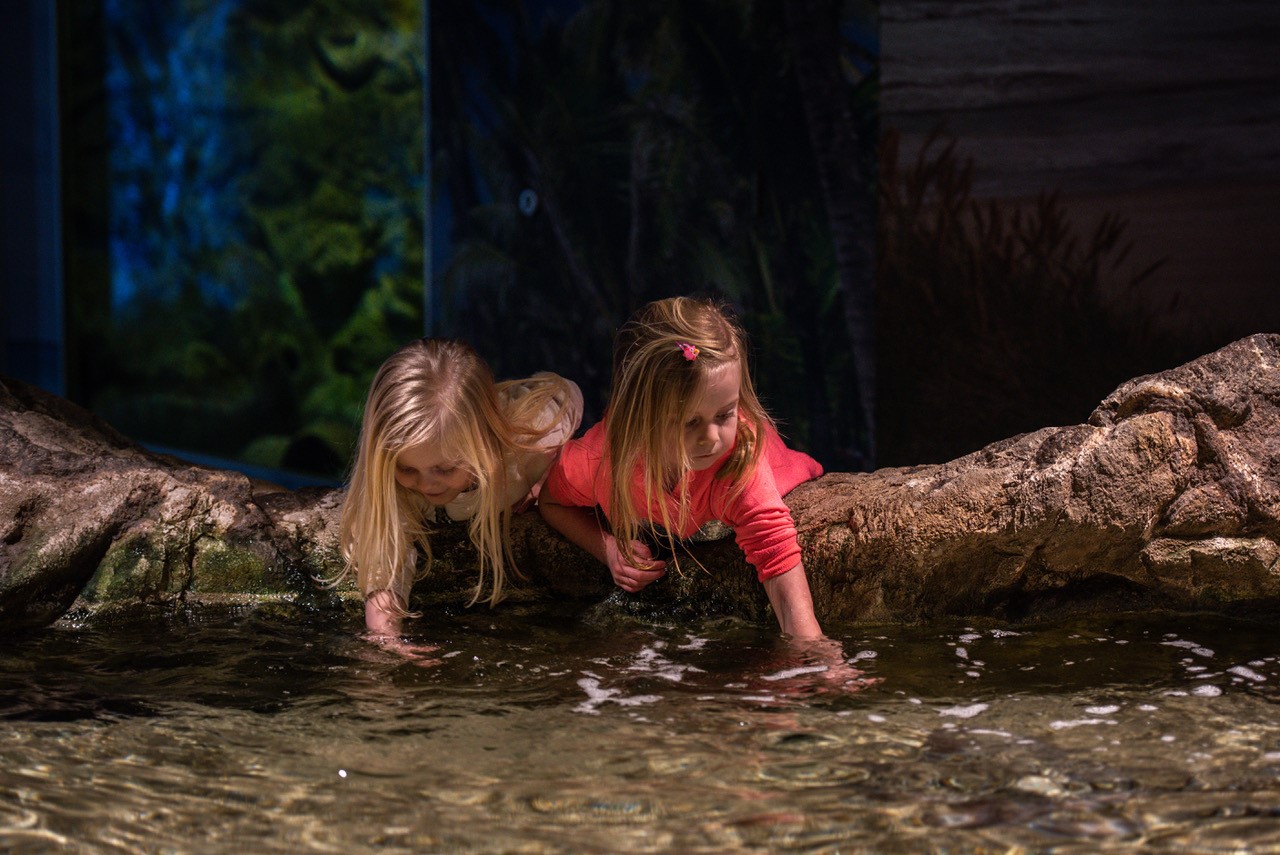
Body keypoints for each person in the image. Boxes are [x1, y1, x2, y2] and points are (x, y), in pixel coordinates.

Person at [538, 296, 828, 640]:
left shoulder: (737, 458)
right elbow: (551, 501)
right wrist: (608, 548)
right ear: (640, 417)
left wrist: (812, 653)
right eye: (689, 421)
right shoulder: (601, 459)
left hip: (777, 471)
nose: (710, 438)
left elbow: (775, 552)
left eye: (724, 414)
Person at [337, 338, 582, 641]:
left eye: (445, 469)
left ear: (483, 444)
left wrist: (548, 478)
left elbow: (567, 394)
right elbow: (386, 567)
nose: (426, 485)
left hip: (504, 420)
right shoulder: (395, 487)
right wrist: (387, 640)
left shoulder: (528, 449)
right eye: (407, 468)